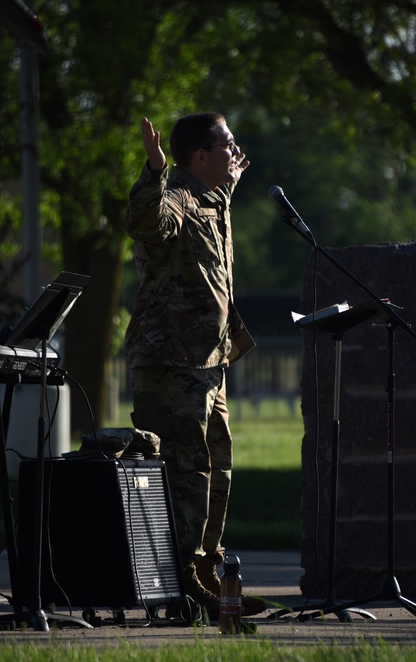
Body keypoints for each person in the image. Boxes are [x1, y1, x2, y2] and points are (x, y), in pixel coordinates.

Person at [125, 113, 266, 620]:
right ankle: (181, 586)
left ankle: (206, 575)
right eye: (227, 145)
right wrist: (155, 168)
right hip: (172, 364)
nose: (236, 152)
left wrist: (228, 187)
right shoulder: (178, 197)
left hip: (208, 363)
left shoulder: (212, 200)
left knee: (216, 470)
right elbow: (146, 221)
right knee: (184, 476)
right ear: (199, 157)